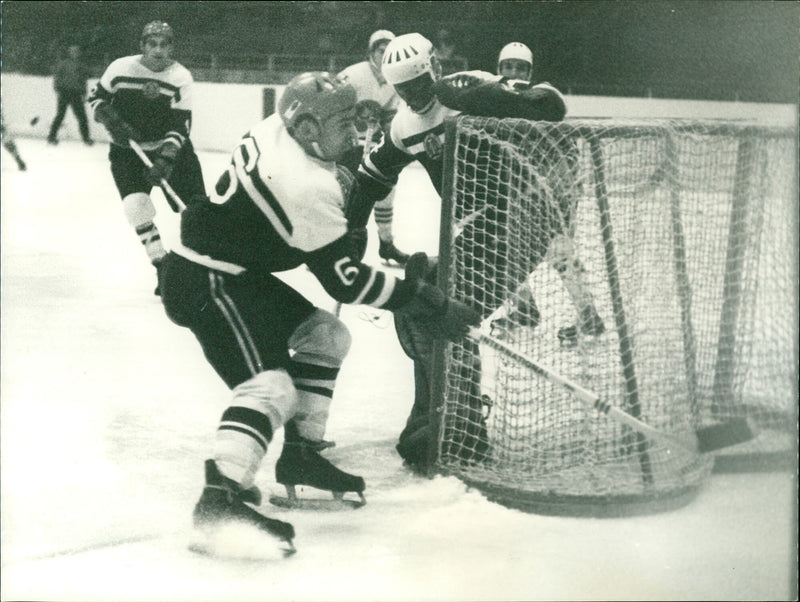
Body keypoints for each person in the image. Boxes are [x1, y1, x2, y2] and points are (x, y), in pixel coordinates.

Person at [157, 71, 480, 554]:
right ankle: (219, 499)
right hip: (206, 281)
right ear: (307, 127)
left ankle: (302, 456)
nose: (354, 133)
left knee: (326, 335)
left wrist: (341, 226)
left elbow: (300, 236)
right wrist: (426, 300)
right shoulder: (300, 183)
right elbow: (344, 281)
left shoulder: (279, 128)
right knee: (270, 387)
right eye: (345, 122)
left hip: (229, 269)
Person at [348, 33, 569, 470]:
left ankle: (463, 430)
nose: (412, 96)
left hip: (524, 214)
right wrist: (351, 228)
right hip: (475, 230)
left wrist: (487, 100)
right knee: (418, 302)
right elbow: (372, 177)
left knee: (447, 311)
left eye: (419, 83)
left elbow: (552, 104)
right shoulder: (405, 125)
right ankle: (430, 417)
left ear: (437, 69)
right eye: (402, 88)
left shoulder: (472, 86)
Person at [491, 42, 605, 345]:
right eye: (508, 67)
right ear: (499, 69)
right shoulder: (498, 100)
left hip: (555, 190)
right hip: (523, 192)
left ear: (530, 72)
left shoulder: (542, 95)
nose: (514, 73)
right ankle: (525, 309)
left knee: (561, 256)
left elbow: (550, 101)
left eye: (520, 68)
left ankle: (589, 316)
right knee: (506, 253)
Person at [87, 21, 206, 294]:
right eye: (152, 44)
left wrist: (165, 160)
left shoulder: (180, 77)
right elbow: (97, 97)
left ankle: (197, 269)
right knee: (136, 208)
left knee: (197, 212)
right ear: (142, 46)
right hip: (127, 152)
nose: (158, 50)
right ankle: (163, 267)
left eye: (164, 45)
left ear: (171, 47)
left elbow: (181, 125)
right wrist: (109, 116)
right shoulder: (120, 68)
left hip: (172, 152)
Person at [338, 29, 410, 266]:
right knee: (345, 196)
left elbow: (390, 116)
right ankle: (331, 248)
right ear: (371, 52)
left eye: (390, 51)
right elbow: (333, 106)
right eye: (382, 50)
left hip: (374, 145)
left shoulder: (394, 78)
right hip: (347, 145)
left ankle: (386, 244)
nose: (385, 56)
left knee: (385, 193)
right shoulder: (353, 74)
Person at [47, 44, 94, 146]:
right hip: (64, 92)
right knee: (60, 115)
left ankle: (86, 139)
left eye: (77, 51)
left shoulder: (81, 65)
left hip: (76, 93)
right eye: (73, 51)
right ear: (69, 53)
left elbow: (83, 80)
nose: (75, 53)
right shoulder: (63, 64)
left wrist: (84, 93)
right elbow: (57, 77)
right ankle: (51, 137)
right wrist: (57, 89)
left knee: (82, 117)